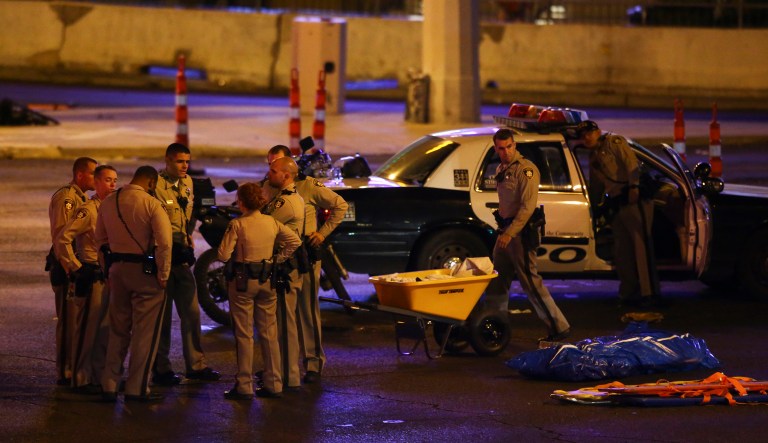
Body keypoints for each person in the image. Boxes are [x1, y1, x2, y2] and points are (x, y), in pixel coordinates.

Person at [266, 145, 348, 384]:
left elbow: (340, 205)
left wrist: (322, 234)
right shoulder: (269, 185)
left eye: (276, 164)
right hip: (280, 257)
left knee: (307, 310)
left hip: (305, 255)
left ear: (288, 166)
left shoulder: (309, 186)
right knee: (282, 314)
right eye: (269, 164)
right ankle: (283, 365)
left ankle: (313, 362)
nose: (271, 169)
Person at [217, 182, 302, 400]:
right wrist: (277, 260)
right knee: (269, 332)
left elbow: (223, 255)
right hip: (267, 280)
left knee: (244, 334)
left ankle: (244, 385)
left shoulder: (237, 224)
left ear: (242, 202)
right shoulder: (271, 222)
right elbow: (294, 241)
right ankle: (274, 383)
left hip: (243, 282)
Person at [485, 128, 570, 343]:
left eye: (509, 147)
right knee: (497, 280)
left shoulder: (526, 170)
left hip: (520, 234)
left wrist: (511, 233)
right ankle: (495, 326)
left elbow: (527, 208)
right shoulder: (502, 168)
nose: (505, 151)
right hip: (506, 232)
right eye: (501, 148)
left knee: (531, 282)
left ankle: (558, 327)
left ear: (515, 146)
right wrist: (505, 232)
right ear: (496, 148)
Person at [96, 165, 172, 403]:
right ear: (151, 182)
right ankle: (136, 388)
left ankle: (109, 383)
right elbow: (164, 243)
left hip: (117, 270)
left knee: (118, 329)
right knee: (144, 332)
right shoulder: (151, 204)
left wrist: (106, 269)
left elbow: (100, 239)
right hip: (144, 272)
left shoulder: (109, 202)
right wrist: (164, 273)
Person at [152, 143, 220, 385]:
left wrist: (188, 234)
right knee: (161, 315)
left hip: (182, 256)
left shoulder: (188, 183)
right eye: (180, 161)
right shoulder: (155, 185)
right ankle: (160, 368)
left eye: (187, 161)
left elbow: (187, 213)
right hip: (163, 256)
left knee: (191, 312)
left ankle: (196, 365)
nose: (184, 166)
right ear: (168, 161)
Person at [577, 120, 661, 308]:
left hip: (634, 200)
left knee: (641, 249)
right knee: (623, 252)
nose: (587, 137)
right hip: (617, 205)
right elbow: (597, 186)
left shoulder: (614, 142)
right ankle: (628, 293)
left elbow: (631, 164)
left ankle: (650, 294)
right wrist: (594, 207)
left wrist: (634, 187)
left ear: (598, 132)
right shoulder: (594, 156)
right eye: (583, 136)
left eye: (589, 133)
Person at [54, 165, 117, 393]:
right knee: (86, 330)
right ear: (97, 183)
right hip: (91, 275)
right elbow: (62, 239)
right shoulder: (88, 210)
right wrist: (76, 266)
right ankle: (80, 378)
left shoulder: (111, 208)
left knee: (103, 331)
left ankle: (97, 376)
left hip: (107, 275)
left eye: (115, 180)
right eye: (108, 180)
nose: (112, 185)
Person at [47, 156, 97, 385]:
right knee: (68, 322)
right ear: (80, 175)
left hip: (75, 266)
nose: (95, 179)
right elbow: (61, 237)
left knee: (76, 322)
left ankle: (72, 367)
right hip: (66, 266)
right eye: (92, 174)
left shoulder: (81, 198)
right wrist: (72, 267)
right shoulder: (67, 198)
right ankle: (65, 372)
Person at [261, 156, 305, 390]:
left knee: (285, 324)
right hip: (285, 266)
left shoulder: (286, 203)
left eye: (274, 170)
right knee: (281, 322)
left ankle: (289, 376)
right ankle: (283, 373)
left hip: (286, 268)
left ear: (286, 175)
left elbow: (266, 226)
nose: (269, 173)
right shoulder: (283, 197)